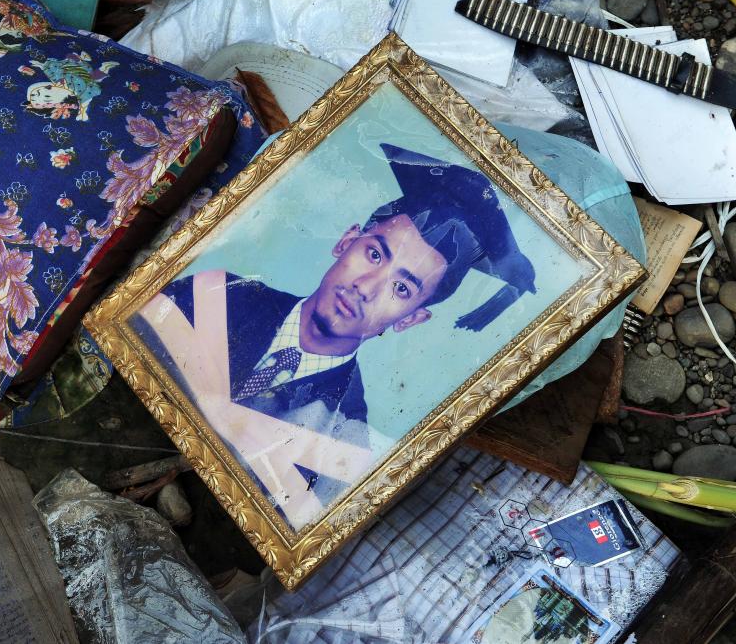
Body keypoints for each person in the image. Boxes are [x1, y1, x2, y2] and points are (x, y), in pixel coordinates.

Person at [134, 144, 536, 529]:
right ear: (346, 242)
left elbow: (280, 517)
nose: (367, 287)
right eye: (375, 255)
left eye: (401, 290)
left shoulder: (343, 433)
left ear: (411, 319)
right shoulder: (218, 293)